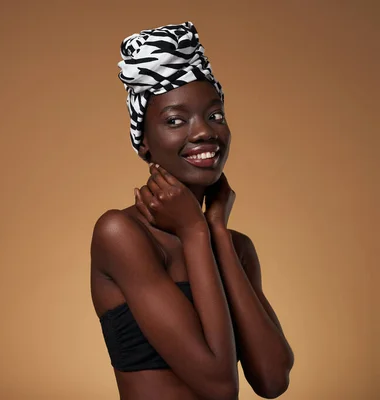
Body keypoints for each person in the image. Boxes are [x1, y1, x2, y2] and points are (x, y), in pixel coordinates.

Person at [90, 22, 294, 400]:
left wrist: (215, 231)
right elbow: (219, 386)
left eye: (215, 115)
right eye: (175, 120)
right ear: (145, 144)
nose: (203, 132)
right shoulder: (120, 234)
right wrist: (196, 231)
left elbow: (272, 379)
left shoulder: (236, 247)